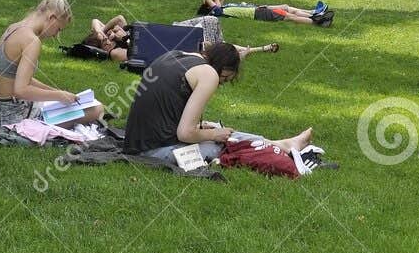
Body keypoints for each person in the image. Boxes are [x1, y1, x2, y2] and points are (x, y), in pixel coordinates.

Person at [122, 42, 313, 166]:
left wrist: (206, 129)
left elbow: (167, 108)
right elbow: (185, 133)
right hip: (154, 152)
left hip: (136, 142)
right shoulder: (208, 74)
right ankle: (282, 147)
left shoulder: (176, 55)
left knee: (221, 133)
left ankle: (282, 144)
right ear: (222, 68)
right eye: (224, 78)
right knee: (226, 144)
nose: (220, 84)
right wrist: (214, 134)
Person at [0, 0, 105, 140]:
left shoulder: (13, 28)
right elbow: (21, 90)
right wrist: (59, 96)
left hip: (1, 112)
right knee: (97, 109)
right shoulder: (31, 41)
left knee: (69, 104)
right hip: (17, 118)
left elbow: (19, 78)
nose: (55, 35)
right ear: (52, 18)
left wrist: (57, 92)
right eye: (58, 29)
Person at [196, 0, 334, 27]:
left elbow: (218, 1)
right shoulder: (217, 12)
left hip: (259, 9)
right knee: (288, 16)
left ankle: (314, 12)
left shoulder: (221, 9)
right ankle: (317, 20)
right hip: (258, 13)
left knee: (286, 7)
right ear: (209, 8)